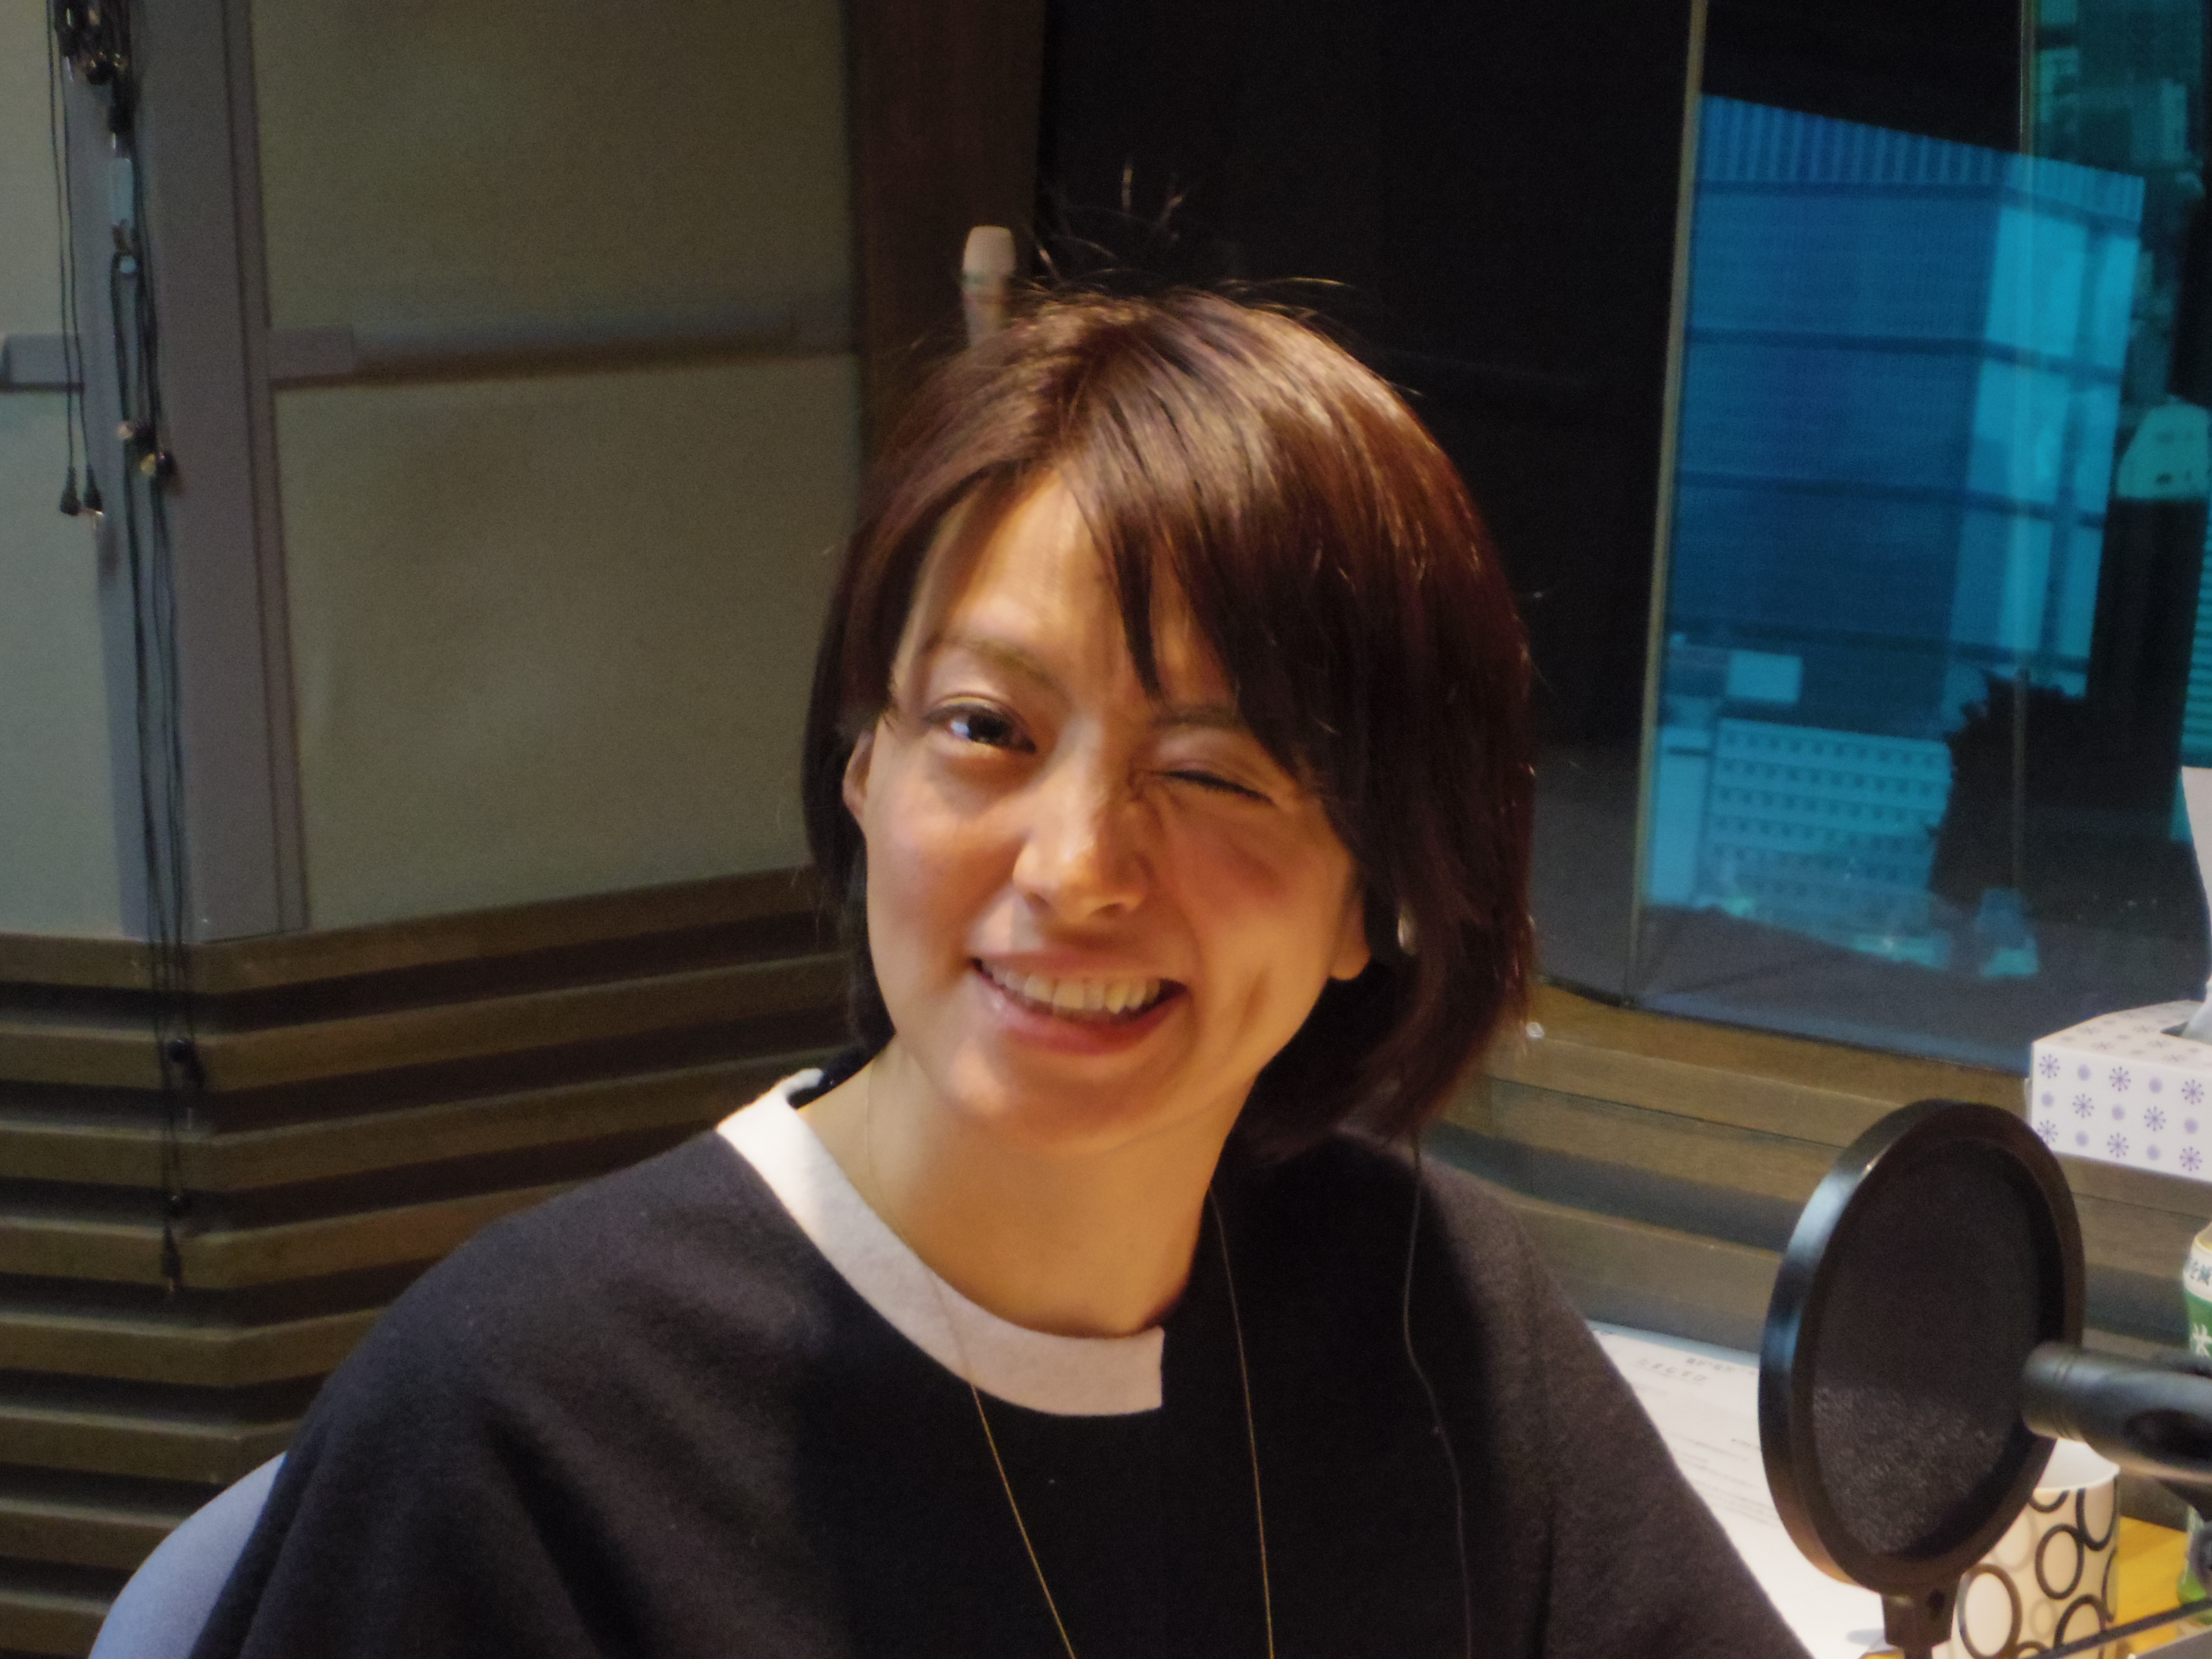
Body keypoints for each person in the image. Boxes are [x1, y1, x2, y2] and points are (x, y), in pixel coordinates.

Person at [189, 291, 1806, 1657]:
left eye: (1213, 772)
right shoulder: (521, 1422)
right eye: (986, 729)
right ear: (863, 771)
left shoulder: (1422, 1309)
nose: (1075, 868)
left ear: (1372, 899)